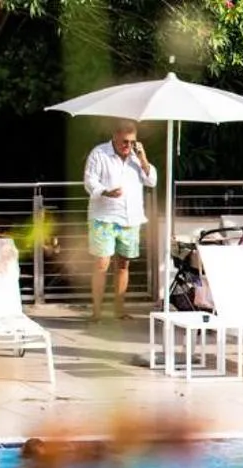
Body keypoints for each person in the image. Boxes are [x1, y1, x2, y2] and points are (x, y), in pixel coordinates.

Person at [83, 119, 157, 324]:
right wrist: (105, 192)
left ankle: (119, 308)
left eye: (132, 142)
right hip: (104, 217)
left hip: (130, 218)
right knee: (101, 264)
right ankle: (96, 311)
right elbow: (89, 181)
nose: (128, 145)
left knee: (124, 265)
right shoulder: (99, 153)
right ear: (115, 136)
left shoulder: (136, 156)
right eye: (125, 141)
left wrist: (142, 158)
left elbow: (152, 181)